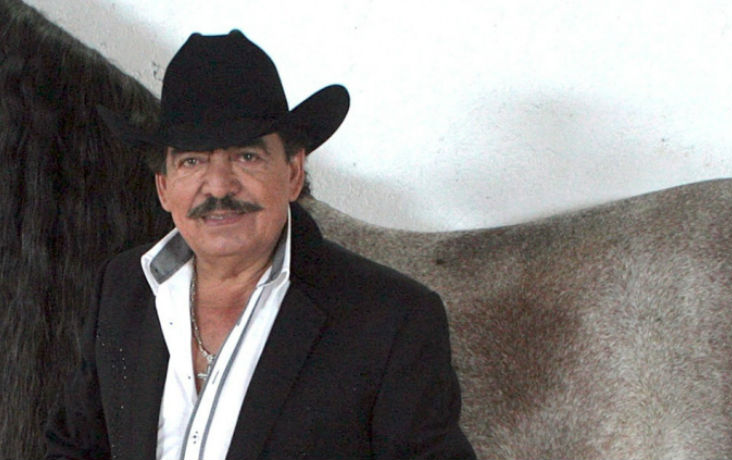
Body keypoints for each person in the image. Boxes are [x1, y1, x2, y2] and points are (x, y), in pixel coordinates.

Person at [45, 30, 475, 460]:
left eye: (246, 156)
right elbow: (75, 450)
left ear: (293, 172)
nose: (218, 186)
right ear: (164, 187)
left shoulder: (390, 320)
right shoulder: (123, 289)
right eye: (192, 161)